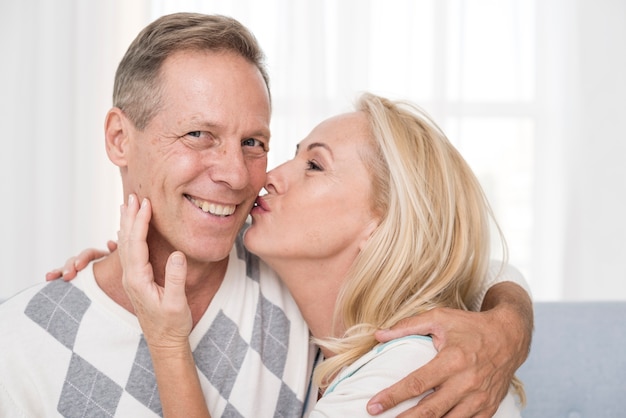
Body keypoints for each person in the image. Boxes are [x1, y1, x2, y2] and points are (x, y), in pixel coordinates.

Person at [0, 11, 531, 418]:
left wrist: (507, 326)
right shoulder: (20, 345)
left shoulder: (309, 294)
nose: (240, 173)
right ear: (120, 138)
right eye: (198, 135)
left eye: (253, 141)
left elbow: (466, 263)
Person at [107, 92, 525, 417]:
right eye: (293, 154)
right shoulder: (340, 349)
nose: (268, 177)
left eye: (314, 166)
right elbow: (493, 274)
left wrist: (166, 342)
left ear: (382, 224)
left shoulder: (402, 378)